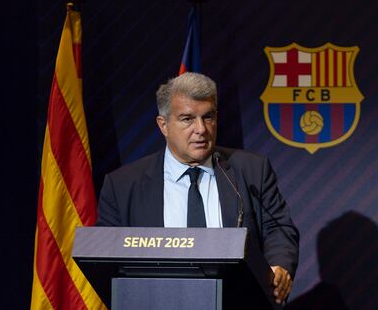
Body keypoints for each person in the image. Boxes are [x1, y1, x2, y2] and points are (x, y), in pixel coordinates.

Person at [96, 72, 299, 305]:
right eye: (187, 119)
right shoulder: (122, 186)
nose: (201, 129)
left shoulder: (252, 170)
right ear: (163, 125)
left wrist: (279, 265)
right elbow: (107, 257)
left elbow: (278, 227)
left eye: (208, 117)